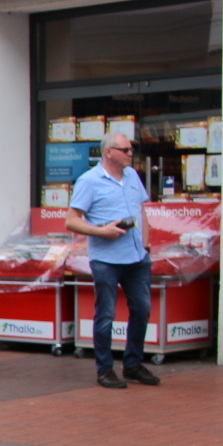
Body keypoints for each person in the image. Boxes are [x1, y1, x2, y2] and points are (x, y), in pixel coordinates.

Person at [68, 133, 159, 389]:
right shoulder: (89, 181)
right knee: (106, 314)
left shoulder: (132, 176)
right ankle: (105, 369)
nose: (131, 154)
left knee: (142, 309)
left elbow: (141, 211)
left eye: (131, 149)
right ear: (109, 152)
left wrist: (145, 245)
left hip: (137, 256)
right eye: (125, 149)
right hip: (107, 259)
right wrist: (102, 231)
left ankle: (133, 364)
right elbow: (71, 220)